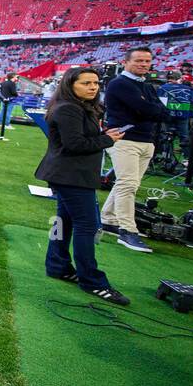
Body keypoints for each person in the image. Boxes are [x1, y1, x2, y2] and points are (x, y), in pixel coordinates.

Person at [36, 67, 130, 304]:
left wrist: (103, 134)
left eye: (96, 83)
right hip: (71, 175)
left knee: (63, 222)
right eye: (86, 83)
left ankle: (57, 265)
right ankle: (92, 281)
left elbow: (79, 139)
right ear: (71, 85)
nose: (93, 87)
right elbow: (75, 144)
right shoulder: (69, 108)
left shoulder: (77, 107)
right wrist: (107, 139)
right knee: (86, 226)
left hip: (69, 174)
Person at [100, 47, 172, 252]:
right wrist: (149, 110)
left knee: (127, 183)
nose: (143, 64)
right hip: (125, 140)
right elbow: (149, 110)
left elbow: (162, 112)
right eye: (139, 60)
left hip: (145, 141)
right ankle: (127, 231)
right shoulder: (119, 83)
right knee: (128, 184)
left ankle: (109, 219)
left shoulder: (146, 86)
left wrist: (149, 110)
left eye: (147, 61)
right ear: (126, 62)